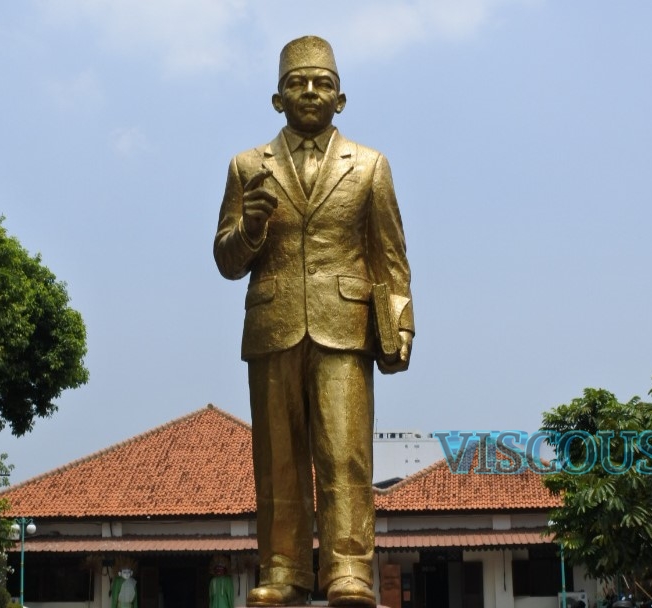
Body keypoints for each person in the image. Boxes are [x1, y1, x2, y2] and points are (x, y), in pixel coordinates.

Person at [213, 35, 414, 607]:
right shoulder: (247, 166)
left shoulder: (370, 165)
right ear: (277, 99)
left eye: (321, 83)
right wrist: (249, 230)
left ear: (341, 98)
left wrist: (398, 324)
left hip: (345, 324)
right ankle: (283, 570)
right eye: (296, 84)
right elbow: (227, 260)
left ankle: (348, 569)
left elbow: (390, 255)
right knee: (277, 455)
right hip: (273, 323)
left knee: (345, 452)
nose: (309, 92)